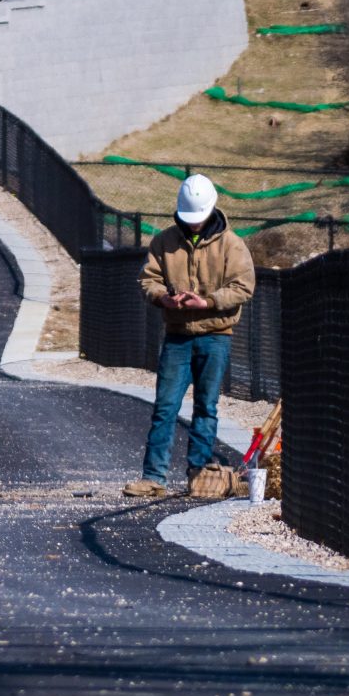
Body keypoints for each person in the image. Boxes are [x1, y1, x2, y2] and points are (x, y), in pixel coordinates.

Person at [124, 175, 255, 498]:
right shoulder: (164, 242)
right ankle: (153, 476)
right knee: (165, 406)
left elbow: (243, 286)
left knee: (206, 406)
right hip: (178, 334)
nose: (194, 226)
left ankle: (201, 472)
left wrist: (208, 302)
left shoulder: (232, 245)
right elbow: (148, 279)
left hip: (216, 335)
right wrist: (162, 298)